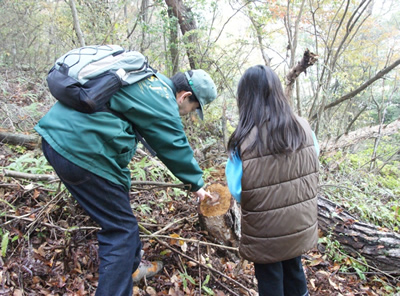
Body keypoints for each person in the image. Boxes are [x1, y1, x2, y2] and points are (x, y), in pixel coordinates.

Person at [35, 69, 217, 296]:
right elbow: (174, 144)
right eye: (193, 108)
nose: (188, 113)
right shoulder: (162, 97)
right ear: (184, 96)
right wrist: (197, 184)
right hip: (80, 150)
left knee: (123, 220)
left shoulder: (147, 80)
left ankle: (130, 269)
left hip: (59, 137)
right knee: (121, 231)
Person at [225, 65, 319, 296]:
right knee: (295, 270)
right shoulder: (303, 127)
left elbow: (237, 189)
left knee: (270, 278)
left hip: (264, 230)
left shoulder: (243, 139)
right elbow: (313, 163)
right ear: (277, 92)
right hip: (299, 223)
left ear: (245, 97)